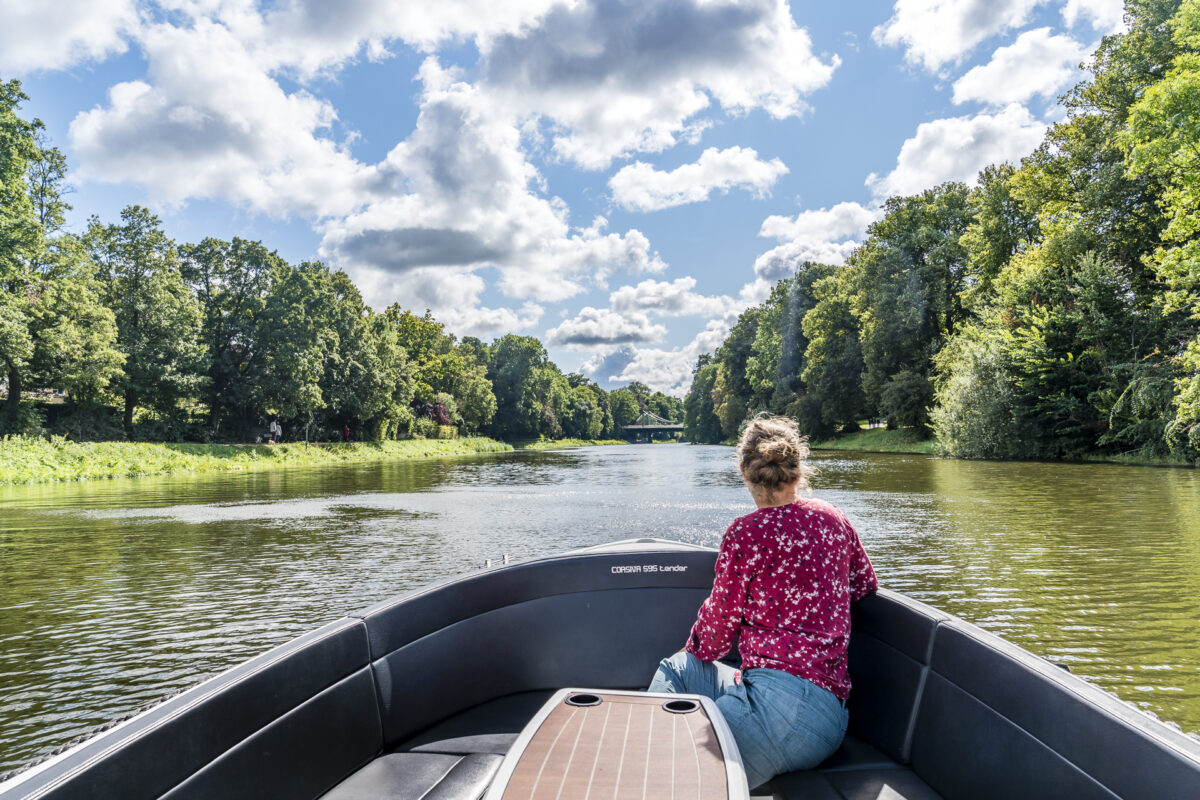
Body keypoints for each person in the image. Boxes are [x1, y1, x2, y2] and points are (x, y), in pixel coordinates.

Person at [648, 414, 878, 790]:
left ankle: (651, 751)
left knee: (669, 778)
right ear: (798, 467)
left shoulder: (746, 534)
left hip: (776, 712)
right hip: (830, 718)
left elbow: (716, 639)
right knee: (679, 669)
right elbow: (864, 585)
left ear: (743, 470)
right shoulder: (833, 518)